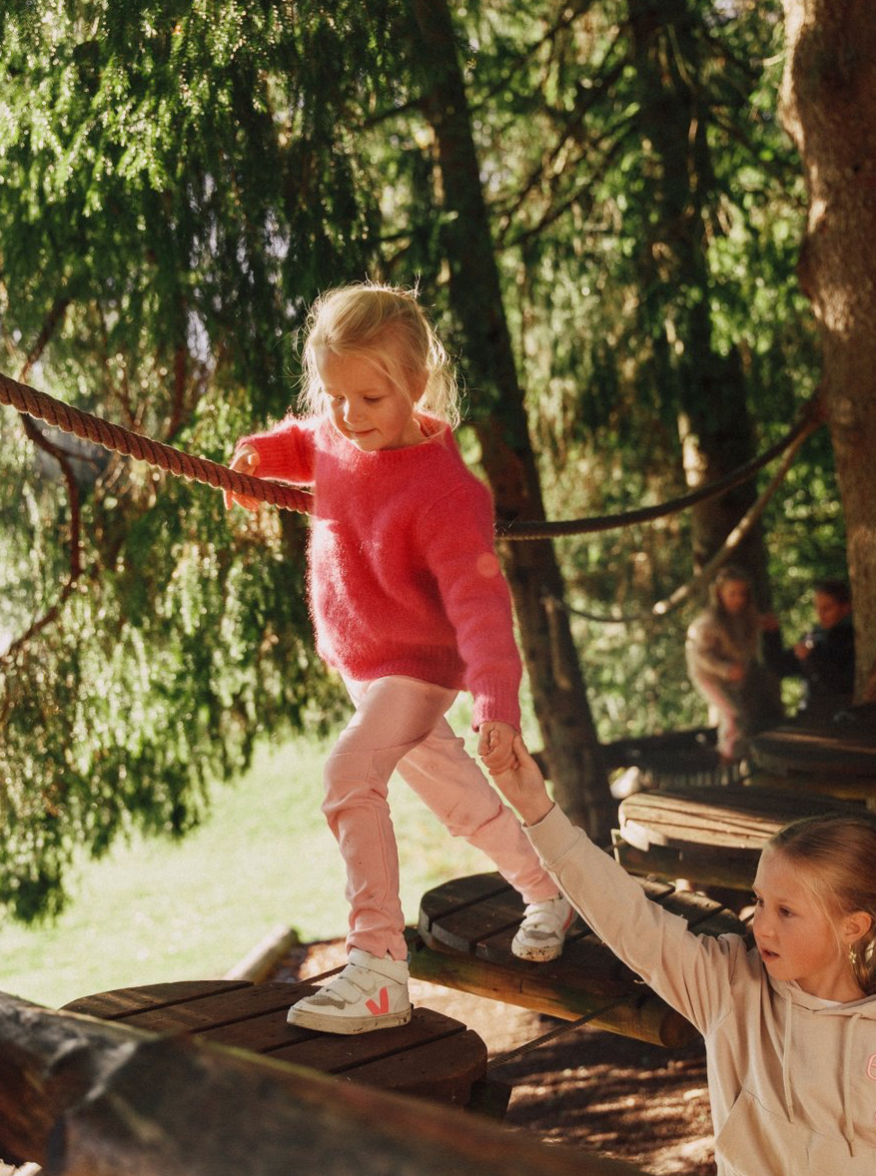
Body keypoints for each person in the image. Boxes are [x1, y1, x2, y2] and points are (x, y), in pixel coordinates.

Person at [224, 282, 573, 1034]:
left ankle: (378, 967)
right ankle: (548, 890)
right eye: (335, 396)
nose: (350, 415)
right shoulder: (341, 434)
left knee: (349, 776)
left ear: (416, 383)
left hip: (417, 667)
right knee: (459, 800)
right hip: (362, 665)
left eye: (370, 398)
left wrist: (496, 706)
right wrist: (260, 457)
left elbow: (482, 610)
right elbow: (307, 441)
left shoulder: (446, 492)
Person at [488, 734, 876, 1175]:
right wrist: (537, 810)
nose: (762, 925)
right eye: (760, 901)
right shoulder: (729, 987)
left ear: (853, 927)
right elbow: (632, 922)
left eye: (786, 911)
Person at [685, 565, 784, 763]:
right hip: (709, 677)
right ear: (719, 594)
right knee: (733, 715)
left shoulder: (746, 617)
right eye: (732, 594)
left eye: (742, 594)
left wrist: (767, 626)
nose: (738, 599)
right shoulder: (708, 623)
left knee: (749, 713)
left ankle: (745, 759)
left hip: (737, 677)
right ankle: (726, 762)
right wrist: (725, 669)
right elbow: (700, 655)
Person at [762, 579, 855, 724]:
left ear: (845, 608)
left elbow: (840, 684)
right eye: (817, 608)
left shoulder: (851, 639)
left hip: (843, 716)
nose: (820, 614)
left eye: (827, 608)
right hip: (813, 713)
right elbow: (780, 667)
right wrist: (772, 635)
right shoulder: (814, 637)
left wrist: (811, 658)